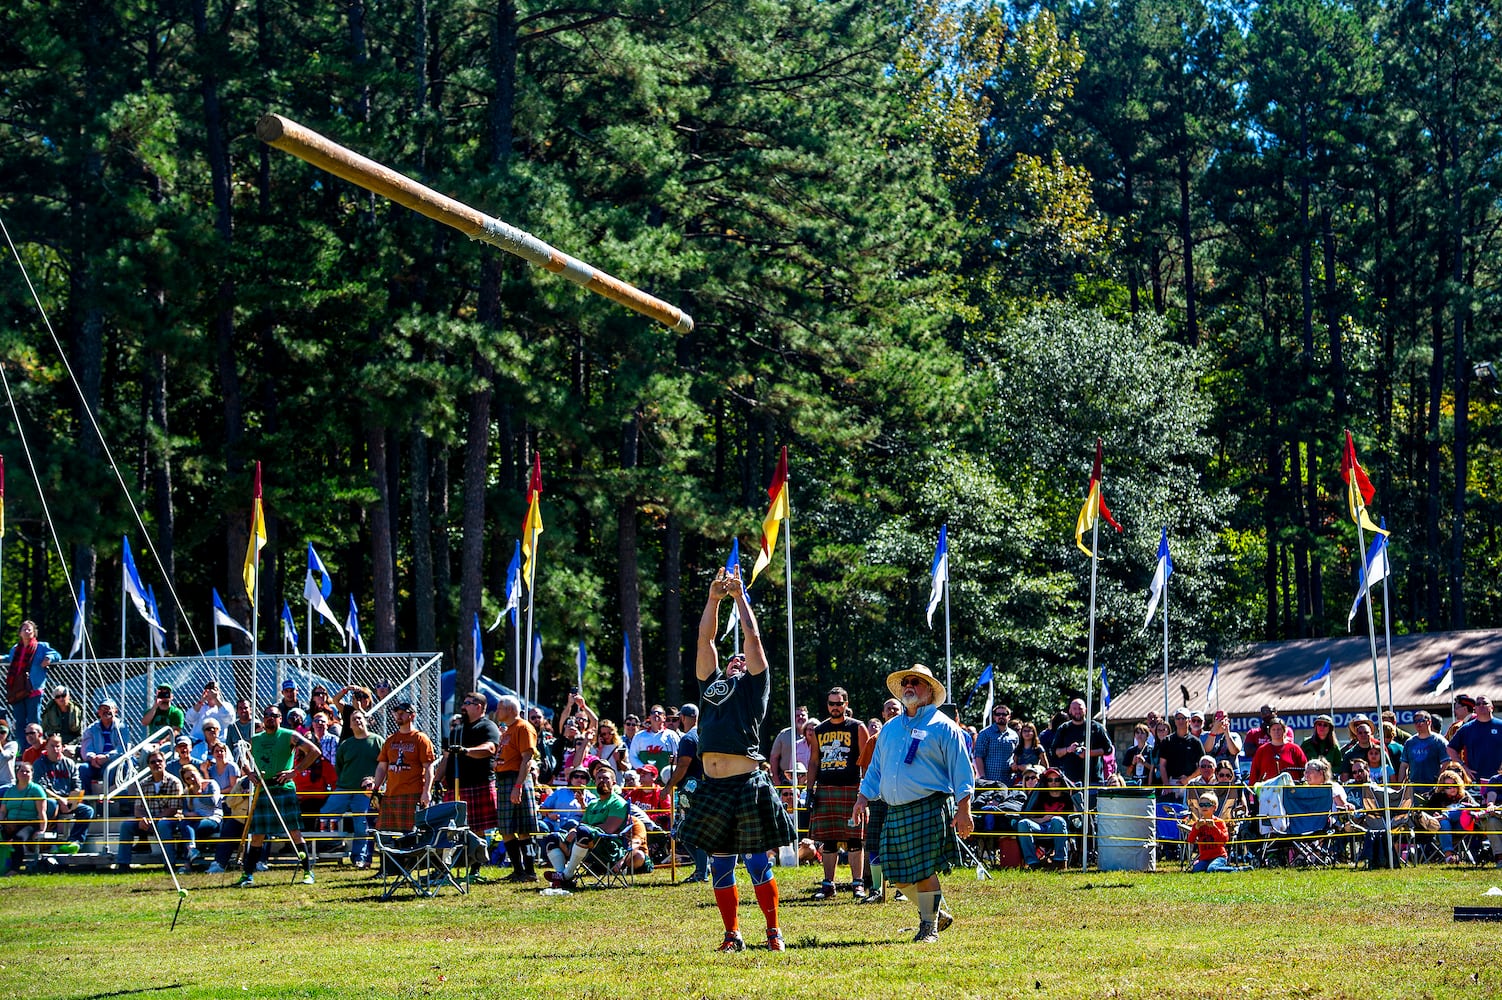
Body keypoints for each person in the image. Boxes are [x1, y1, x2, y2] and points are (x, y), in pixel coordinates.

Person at [677, 569, 796, 953]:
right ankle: (732, 934)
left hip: (746, 784)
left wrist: (740, 597)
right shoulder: (709, 684)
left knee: (758, 863)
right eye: (734, 660)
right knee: (720, 866)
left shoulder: (754, 688)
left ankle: (773, 932)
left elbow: (754, 638)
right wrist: (713, 599)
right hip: (713, 787)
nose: (739, 661)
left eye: (744, 660)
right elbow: (704, 638)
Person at [853, 664, 973, 943]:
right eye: (906, 682)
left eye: (916, 682)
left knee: (922, 869)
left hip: (929, 806)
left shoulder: (944, 727)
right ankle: (935, 912)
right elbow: (876, 769)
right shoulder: (890, 729)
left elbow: (962, 770)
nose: (909, 686)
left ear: (929, 691)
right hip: (895, 810)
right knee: (896, 871)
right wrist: (862, 796)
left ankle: (928, 927)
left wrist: (964, 808)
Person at [236, 705, 322, 887]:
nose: (269, 718)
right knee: (257, 835)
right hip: (263, 789)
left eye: (273, 716)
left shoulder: (289, 735)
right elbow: (241, 757)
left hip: (283, 788)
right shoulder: (256, 739)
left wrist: (295, 771)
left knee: (294, 833)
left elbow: (314, 751)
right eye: (266, 715)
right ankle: (248, 875)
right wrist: (249, 773)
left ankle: (308, 872)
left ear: (280, 718)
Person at [807, 685, 870, 900]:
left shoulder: (857, 727)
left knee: (854, 839)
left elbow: (866, 761)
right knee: (829, 840)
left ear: (846, 704)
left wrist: (866, 791)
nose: (835, 707)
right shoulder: (819, 730)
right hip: (826, 789)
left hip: (852, 788)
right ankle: (828, 885)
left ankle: (858, 884)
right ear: (828, 705)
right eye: (832, 704)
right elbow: (814, 760)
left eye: (839, 703)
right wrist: (809, 789)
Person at [545, 767, 631, 888]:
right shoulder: (592, 804)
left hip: (607, 847)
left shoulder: (618, 803)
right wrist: (574, 831)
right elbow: (583, 824)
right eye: (599, 778)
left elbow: (609, 829)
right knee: (552, 838)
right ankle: (562, 877)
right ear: (594, 782)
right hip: (586, 842)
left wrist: (580, 831)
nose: (602, 780)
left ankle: (567, 874)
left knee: (583, 832)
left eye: (606, 778)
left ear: (614, 782)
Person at [320, 709, 383, 869]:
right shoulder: (346, 744)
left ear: (366, 721)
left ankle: (359, 858)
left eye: (360, 718)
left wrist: (376, 783)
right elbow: (339, 766)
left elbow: (385, 765)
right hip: (344, 788)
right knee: (325, 814)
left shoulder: (377, 741)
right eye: (353, 719)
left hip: (366, 792)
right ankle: (334, 844)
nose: (357, 721)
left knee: (362, 825)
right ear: (349, 724)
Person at [437, 692, 500, 848]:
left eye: (467, 703)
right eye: (463, 703)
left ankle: (477, 863)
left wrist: (466, 751)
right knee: (454, 826)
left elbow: (490, 748)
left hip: (478, 784)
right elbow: (446, 757)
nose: (463, 707)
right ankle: (459, 858)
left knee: (477, 828)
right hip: (455, 785)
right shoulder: (457, 730)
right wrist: (437, 780)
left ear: (478, 706)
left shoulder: (488, 726)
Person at [365, 701, 437, 836]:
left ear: (412, 715)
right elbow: (382, 766)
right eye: (397, 713)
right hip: (391, 795)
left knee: (412, 836)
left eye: (402, 713)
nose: (398, 716)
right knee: (385, 835)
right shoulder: (390, 740)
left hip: (413, 794)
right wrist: (376, 788)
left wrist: (426, 792)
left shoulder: (420, 739)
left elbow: (428, 768)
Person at [489, 694, 540, 882]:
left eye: (500, 708)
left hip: (516, 779)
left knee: (523, 829)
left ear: (510, 710)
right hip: (503, 780)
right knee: (506, 829)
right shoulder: (507, 730)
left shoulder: (523, 727)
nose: (496, 712)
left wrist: (518, 786)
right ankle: (518, 871)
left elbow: (527, 759)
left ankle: (530, 871)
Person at [114, 750, 183, 873]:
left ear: (165, 763)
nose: (157, 764)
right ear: (149, 765)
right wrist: (142, 818)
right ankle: (123, 864)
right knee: (126, 825)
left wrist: (153, 819)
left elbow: (173, 809)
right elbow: (138, 808)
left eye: (159, 761)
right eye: (153, 762)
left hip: (170, 821)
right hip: (149, 821)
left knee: (163, 824)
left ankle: (169, 864)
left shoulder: (174, 782)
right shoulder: (143, 784)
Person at [664, 702, 709, 882]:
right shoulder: (704, 734)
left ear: (682, 718)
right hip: (706, 789)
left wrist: (668, 786)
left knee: (682, 831)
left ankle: (701, 871)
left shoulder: (688, 739)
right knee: (699, 832)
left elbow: (683, 766)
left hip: (690, 792)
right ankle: (703, 869)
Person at [34, 734, 94, 846]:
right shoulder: (39, 764)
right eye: (52, 746)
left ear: (62, 747)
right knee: (52, 804)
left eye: (58, 746)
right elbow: (41, 788)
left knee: (87, 810)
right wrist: (60, 800)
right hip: (49, 801)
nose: (56, 749)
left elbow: (77, 784)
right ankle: (50, 844)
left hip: (67, 800)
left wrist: (73, 801)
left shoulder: (69, 763)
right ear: (46, 747)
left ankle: (75, 842)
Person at [1016, 765, 1081, 868]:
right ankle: (1032, 863)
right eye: (1050, 780)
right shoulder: (1040, 796)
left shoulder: (1067, 796)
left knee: (1057, 820)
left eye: (1057, 779)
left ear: (1061, 781)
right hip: (1041, 826)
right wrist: (1042, 819)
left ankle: (1060, 861)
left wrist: (1073, 795)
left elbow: (1077, 815)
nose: (1053, 782)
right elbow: (1028, 817)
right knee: (1022, 824)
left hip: (1060, 827)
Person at [5, 621, 59, 729]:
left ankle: (35, 745)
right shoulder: (15, 649)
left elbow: (56, 654)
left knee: (33, 721)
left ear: (34, 632)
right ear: (20, 633)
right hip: (18, 690)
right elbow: (10, 659)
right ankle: (23, 745)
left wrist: (49, 658)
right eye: (24, 629)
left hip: (34, 688)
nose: (27, 631)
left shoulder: (41, 647)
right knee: (19, 722)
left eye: (29, 629)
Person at [1050, 697, 1112, 791]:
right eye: (1074, 709)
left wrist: (1088, 753)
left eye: (1080, 708)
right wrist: (1068, 749)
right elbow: (1054, 752)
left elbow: (1108, 749)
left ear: (1086, 710)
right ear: (1070, 711)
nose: (1077, 711)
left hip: (1093, 780)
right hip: (1070, 780)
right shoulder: (1064, 729)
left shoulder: (1096, 728)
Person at [0, 760, 47, 873]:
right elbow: (2, 811)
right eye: (22, 771)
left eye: (27, 771)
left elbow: (42, 811)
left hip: (29, 823)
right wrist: (2, 823)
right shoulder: (10, 791)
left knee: (18, 839)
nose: (24, 774)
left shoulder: (36, 790)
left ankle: (14, 869)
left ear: (32, 774)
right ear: (17, 774)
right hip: (10, 824)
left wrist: (42, 830)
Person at [178, 764, 223, 873]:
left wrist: (200, 793)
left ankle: (187, 862)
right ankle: (191, 850)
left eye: (193, 775)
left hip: (212, 819)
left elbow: (213, 802)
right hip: (194, 820)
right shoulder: (187, 791)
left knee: (187, 828)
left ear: (197, 773)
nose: (192, 779)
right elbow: (184, 810)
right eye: (188, 779)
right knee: (185, 825)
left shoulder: (211, 784)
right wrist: (190, 815)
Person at [1448, 696, 1502, 784]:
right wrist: (1463, 767)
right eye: (1478, 704)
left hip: (1499, 780)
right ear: (1474, 709)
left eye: (1485, 703)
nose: (1481, 706)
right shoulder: (1466, 728)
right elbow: (1450, 749)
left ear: (1492, 708)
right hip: (1475, 779)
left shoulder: (1500, 726)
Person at [1184, 793, 1242, 872]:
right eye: (1201, 805)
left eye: (1207, 805)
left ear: (1214, 808)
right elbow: (1190, 840)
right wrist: (1196, 828)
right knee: (1196, 869)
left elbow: (1225, 839)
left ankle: (1238, 869)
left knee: (1212, 869)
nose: (1204, 807)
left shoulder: (1219, 822)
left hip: (1219, 856)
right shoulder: (1197, 823)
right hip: (1204, 857)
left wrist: (1214, 827)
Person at [79, 700, 129, 789]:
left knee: (114, 766)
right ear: (98, 712)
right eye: (103, 709)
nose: (106, 711)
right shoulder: (91, 728)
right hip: (95, 763)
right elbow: (86, 748)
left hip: (112, 761)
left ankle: (107, 797)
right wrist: (92, 757)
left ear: (116, 711)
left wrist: (107, 757)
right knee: (83, 768)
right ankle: (86, 799)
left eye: (109, 708)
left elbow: (122, 748)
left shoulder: (122, 727)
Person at [1157, 708, 1204, 803]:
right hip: (1171, 783)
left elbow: (1202, 765)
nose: (1181, 721)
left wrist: (1188, 779)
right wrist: (1166, 784)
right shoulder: (1167, 741)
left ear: (1189, 721)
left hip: (1190, 783)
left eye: (1183, 718)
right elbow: (1162, 765)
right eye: (1178, 718)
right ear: (1175, 721)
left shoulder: (1196, 742)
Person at [1249, 718, 1306, 784]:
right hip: (1267, 790)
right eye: (1273, 729)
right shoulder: (1262, 750)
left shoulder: (1295, 749)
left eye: (1279, 729)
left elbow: (1305, 769)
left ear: (1284, 731)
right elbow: (1254, 772)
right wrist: (1252, 790)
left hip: (1291, 790)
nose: (1276, 732)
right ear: (1269, 732)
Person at [628, 704, 680, 776]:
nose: (656, 714)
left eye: (659, 713)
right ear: (649, 717)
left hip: (666, 779)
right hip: (645, 780)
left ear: (664, 718)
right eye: (653, 713)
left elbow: (677, 756)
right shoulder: (639, 736)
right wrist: (644, 769)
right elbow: (633, 756)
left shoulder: (672, 735)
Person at [768, 704, 811, 789]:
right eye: (797, 715)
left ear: (808, 717)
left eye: (803, 715)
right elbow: (774, 757)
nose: (800, 717)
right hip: (787, 778)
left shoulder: (815, 734)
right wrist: (776, 779)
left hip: (810, 778)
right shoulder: (784, 734)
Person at [972, 705, 1018, 784]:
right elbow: (978, 756)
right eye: (998, 714)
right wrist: (983, 777)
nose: (1001, 716)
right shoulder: (985, 733)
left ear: (1009, 717)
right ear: (994, 716)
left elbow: (1015, 755)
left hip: (1008, 780)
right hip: (989, 780)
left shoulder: (1014, 735)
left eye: (1004, 714)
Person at [185, 681, 234, 747]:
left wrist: (216, 699)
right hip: (198, 743)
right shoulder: (200, 707)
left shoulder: (226, 706)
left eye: (214, 689)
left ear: (219, 692)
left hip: (217, 745)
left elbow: (229, 718)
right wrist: (202, 701)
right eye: (209, 690)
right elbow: (189, 719)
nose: (211, 692)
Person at [1300, 715, 1342, 779]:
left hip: (1328, 781)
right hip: (1309, 780)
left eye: (1325, 725)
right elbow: (1300, 764)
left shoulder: (1334, 746)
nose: (1322, 727)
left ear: (1330, 728)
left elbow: (1339, 766)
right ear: (1315, 727)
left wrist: (1326, 770)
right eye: (1319, 724)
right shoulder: (1306, 744)